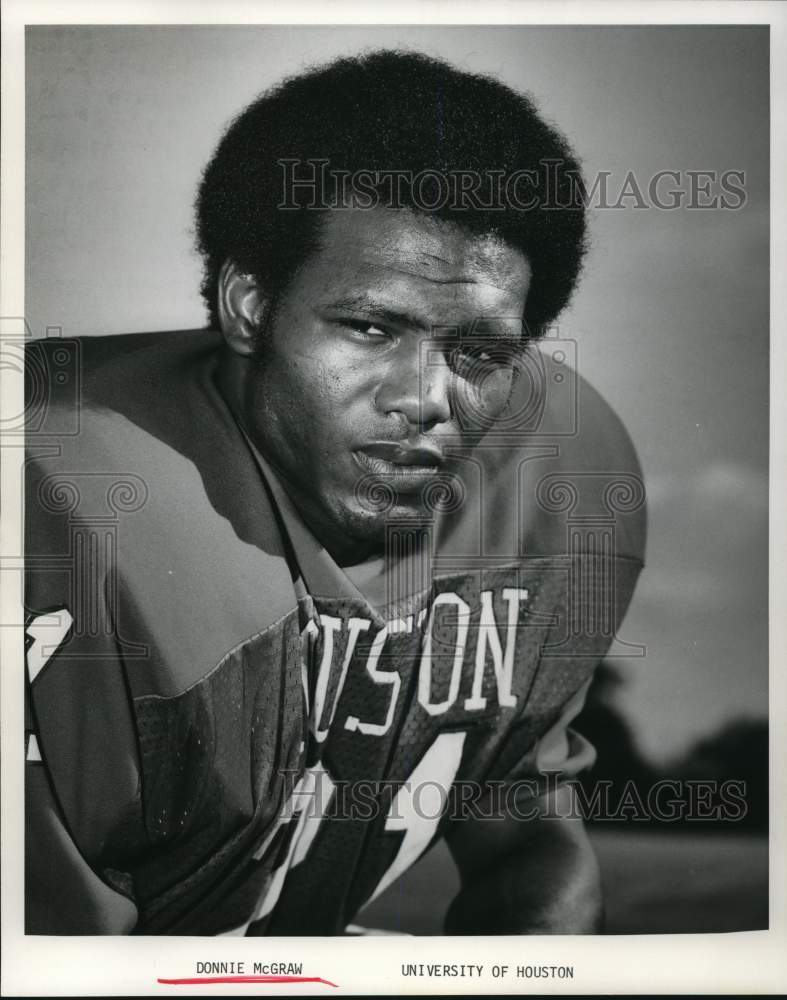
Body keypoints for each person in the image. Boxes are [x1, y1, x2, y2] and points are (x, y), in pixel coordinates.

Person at [24, 49, 646, 935]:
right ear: (248, 304)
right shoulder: (60, 486)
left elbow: (526, 843)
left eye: (478, 354)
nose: (424, 398)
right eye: (368, 326)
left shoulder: (556, 481)